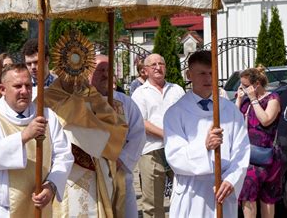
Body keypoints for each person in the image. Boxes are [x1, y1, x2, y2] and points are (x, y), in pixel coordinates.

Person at [0, 64, 73, 217]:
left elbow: (63, 155)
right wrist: (24, 136)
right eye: (18, 86)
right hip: (1, 210)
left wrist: (51, 185)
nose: (24, 91)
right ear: (2, 89)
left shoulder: (47, 116)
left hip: (37, 207)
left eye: (28, 85)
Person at [44, 42, 128, 217]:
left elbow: (114, 127)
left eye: (79, 70)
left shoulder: (92, 95)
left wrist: (85, 114)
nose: (73, 77)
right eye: (68, 69)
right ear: (60, 69)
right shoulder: (48, 98)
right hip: (62, 170)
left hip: (93, 166)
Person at [163, 50, 250, 217]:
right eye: (202, 73)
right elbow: (174, 156)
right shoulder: (175, 113)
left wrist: (232, 179)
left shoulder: (230, 111)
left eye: (212, 73)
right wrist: (204, 147)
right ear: (189, 75)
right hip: (192, 192)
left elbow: (242, 151)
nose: (208, 78)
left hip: (222, 190)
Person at [89, 54, 146, 218]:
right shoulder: (79, 102)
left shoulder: (124, 102)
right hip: (92, 174)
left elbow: (138, 133)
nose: (106, 74)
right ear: (88, 72)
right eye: (100, 70)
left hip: (120, 172)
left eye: (109, 70)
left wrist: (122, 159)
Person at [131, 53, 185, 218]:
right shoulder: (140, 93)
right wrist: (166, 135)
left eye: (161, 63)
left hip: (178, 150)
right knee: (153, 203)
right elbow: (142, 122)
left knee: (182, 197)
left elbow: (186, 116)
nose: (157, 67)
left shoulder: (177, 90)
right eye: (153, 64)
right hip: (152, 151)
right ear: (145, 70)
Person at [235, 67, 282, 218]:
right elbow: (235, 120)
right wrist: (239, 99)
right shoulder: (247, 102)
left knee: (268, 198)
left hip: (268, 157)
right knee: (248, 195)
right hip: (249, 157)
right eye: (241, 85)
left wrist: (254, 99)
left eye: (244, 85)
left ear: (256, 85)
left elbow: (266, 120)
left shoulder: (272, 98)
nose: (242, 87)